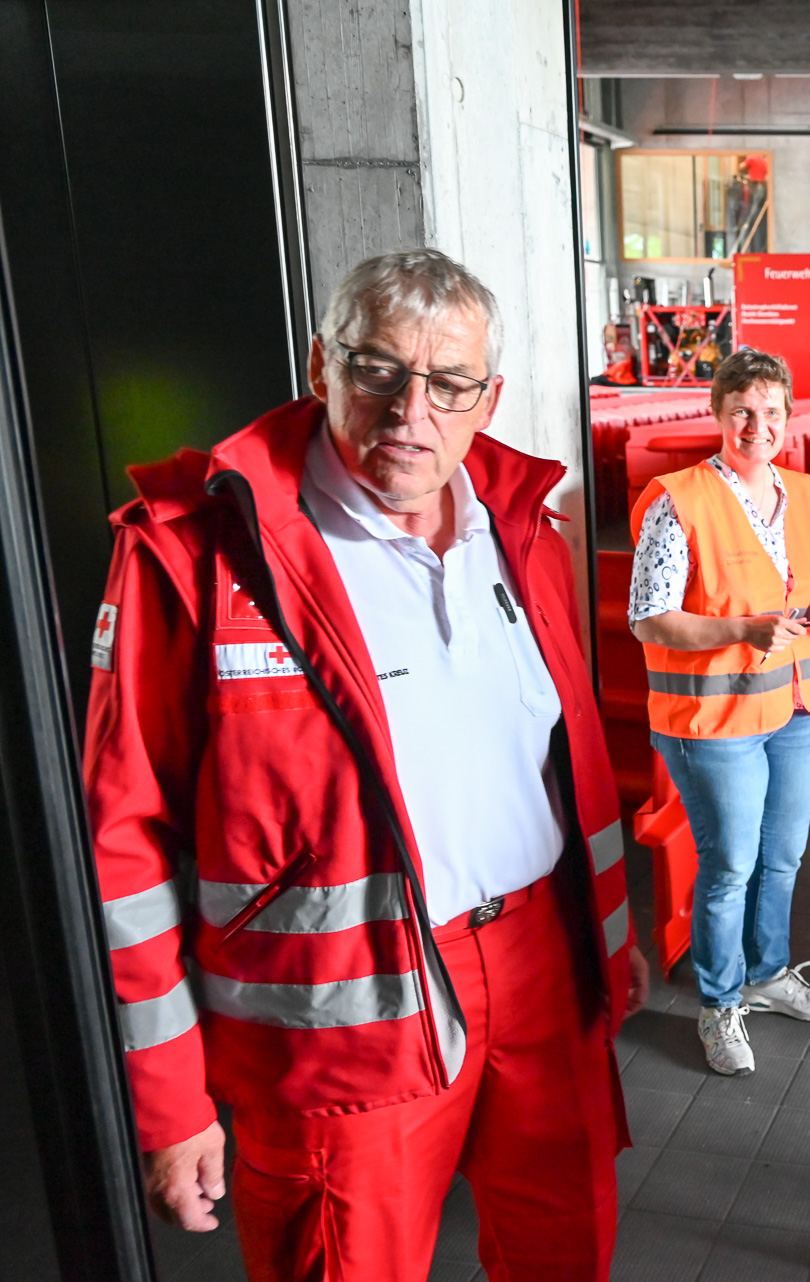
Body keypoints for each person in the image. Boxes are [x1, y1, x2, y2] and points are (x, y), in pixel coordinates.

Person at [85, 248, 644, 1280]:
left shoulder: (527, 528)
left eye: (449, 383)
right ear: (321, 364)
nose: (410, 412)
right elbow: (125, 840)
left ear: (489, 400)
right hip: (339, 1018)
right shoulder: (196, 552)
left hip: (542, 968)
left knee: (567, 1251)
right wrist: (169, 1101)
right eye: (378, 368)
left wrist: (608, 945)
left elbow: (566, 767)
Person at [628, 349, 810, 1076]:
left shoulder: (802, 490)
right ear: (718, 413)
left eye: (771, 412)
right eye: (742, 411)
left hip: (794, 705)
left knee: (783, 856)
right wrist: (744, 630)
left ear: (788, 418)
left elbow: (796, 597)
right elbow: (650, 618)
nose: (756, 426)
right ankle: (719, 1003)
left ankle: (767, 974)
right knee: (731, 864)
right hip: (714, 720)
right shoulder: (679, 498)